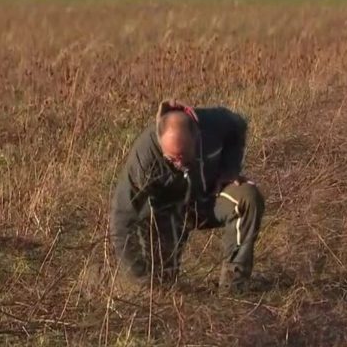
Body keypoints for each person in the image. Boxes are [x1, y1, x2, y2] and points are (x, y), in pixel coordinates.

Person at [109, 99, 265, 293]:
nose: (179, 164)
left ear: (197, 136)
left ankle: (234, 289)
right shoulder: (145, 153)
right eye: (171, 159)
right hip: (169, 213)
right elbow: (122, 217)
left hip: (208, 199)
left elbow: (239, 126)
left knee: (248, 196)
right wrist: (138, 276)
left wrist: (229, 170)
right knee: (162, 288)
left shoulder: (213, 123)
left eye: (183, 156)